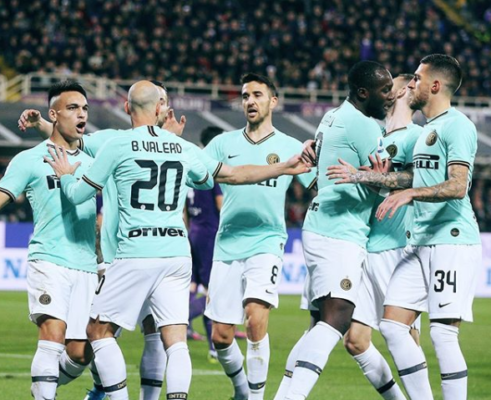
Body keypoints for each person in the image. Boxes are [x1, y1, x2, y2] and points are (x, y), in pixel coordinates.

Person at [279, 61, 394, 400]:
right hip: (338, 231)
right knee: (339, 316)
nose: (389, 96)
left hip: (323, 224)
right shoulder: (363, 125)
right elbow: (384, 180)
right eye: (384, 90)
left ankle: (284, 393)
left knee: (319, 324)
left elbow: (320, 168)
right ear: (364, 93)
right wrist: (384, 181)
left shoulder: (332, 116)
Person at [204, 73, 317, 400]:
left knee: (255, 320)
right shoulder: (222, 144)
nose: (250, 101)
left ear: (273, 101)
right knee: (221, 337)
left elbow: (320, 187)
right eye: (245, 96)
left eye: (257, 95)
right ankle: (242, 391)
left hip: (267, 241)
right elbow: (195, 175)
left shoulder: (291, 147)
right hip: (227, 244)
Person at [375, 55, 481, 400]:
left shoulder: (458, 126)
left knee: (442, 334)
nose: (411, 84)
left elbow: (458, 185)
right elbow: (416, 178)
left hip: (451, 241)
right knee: (392, 326)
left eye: (417, 79)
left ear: (435, 85)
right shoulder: (426, 131)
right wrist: (373, 177)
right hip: (420, 241)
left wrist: (411, 193)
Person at [327, 73, 423, 399]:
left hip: (398, 246)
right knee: (355, 340)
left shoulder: (416, 136)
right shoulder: (375, 135)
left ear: (404, 91)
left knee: (404, 336)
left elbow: (416, 178)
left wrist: (365, 176)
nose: (384, 89)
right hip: (367, 244)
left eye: (389, 85)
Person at [0, 81, 98, 400]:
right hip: (49, 260)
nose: (81, 114)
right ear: (54, 115)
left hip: (86, 265)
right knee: (52, 333)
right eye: (73, 108)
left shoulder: (95, 162)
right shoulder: (29, 159)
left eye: (84, 108)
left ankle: (43, 386)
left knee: (81, 353)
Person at [186, 126, 224, 361]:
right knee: (213, 290)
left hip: (193, 232)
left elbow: (184, 209)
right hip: (209, 233)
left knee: (193, 285)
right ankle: (212, 345)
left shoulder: (192, 168)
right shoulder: (213, 170)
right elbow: (221, 204)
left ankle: (185, 326)